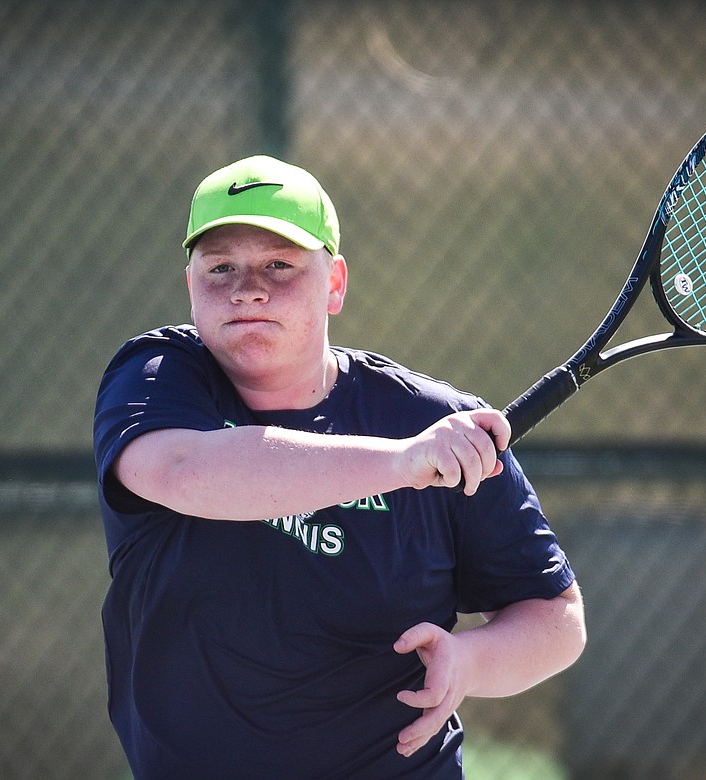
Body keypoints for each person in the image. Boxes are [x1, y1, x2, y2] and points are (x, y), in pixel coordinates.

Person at [94, 154, 586, 779]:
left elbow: (554, 618)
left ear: (335, 283)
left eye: (281, 264)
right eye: (221, 268)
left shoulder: (437, 420)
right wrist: (404, 461)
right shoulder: (158, 379)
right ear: (191, 286)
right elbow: (184, 471)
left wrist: (470, 660)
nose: (248, 287)